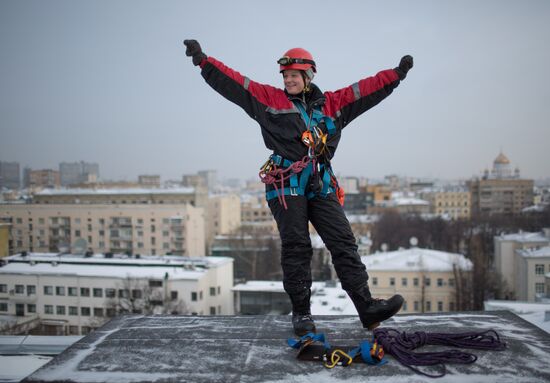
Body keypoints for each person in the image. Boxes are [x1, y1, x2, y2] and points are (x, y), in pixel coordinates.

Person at [183, 40, 413, 336]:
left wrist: (395, 75)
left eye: (294, 75)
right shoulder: (269, 100)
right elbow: (235, 83)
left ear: (309, 76)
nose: (288, 79)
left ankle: (366, 307)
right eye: (285, 75)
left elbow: (364, 90)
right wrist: (204, 61)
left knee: (343, 243)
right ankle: (302, 314)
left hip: (321, 182)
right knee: (297, 246)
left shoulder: (333, 104)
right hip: (286, 183)